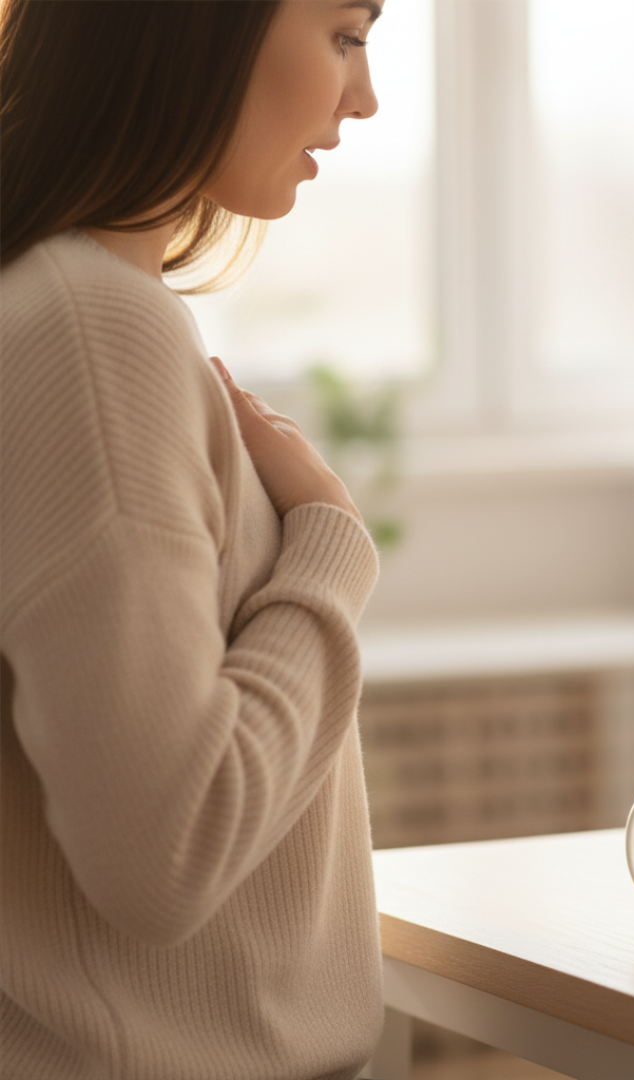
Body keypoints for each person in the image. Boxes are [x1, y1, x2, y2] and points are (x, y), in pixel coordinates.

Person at [0, 2, 389, 1077]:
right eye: (346, 36)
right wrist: (327, 549)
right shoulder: (90, 324)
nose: (364, 99)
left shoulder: (63, 303)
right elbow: (168, 852)